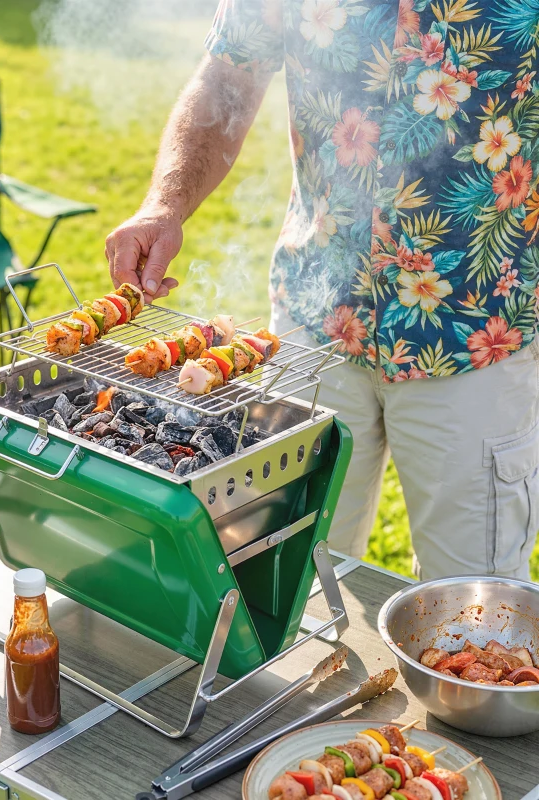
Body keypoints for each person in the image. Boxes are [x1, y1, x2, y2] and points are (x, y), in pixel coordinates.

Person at [105, 0, 539, 580]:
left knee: (476, 603)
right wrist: (165, 204)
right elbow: (229, 73)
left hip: (477, 333)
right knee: (287, 574)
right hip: (316, 320)